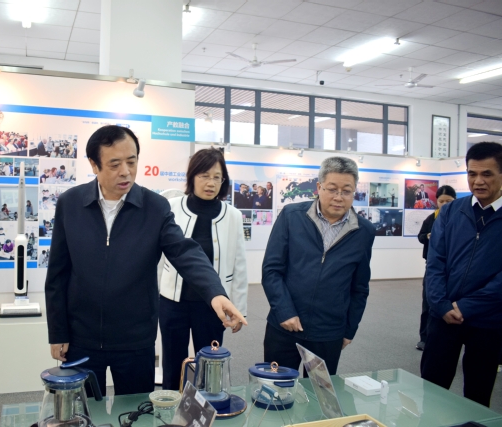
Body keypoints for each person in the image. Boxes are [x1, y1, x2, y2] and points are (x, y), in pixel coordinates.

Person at [45, 125, 246, 396]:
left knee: (135, 411)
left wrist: (215, 292)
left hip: (135, 340)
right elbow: (58, 274)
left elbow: (185, 251)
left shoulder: (155, 207)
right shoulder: (71, 204)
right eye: (114, 164)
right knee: (83, 411)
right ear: (94, 164)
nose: (126, 171)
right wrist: (58, 332)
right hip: (82, 337)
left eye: (132, 161)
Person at [261, 156, 375, 375]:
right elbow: (272, 270)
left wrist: (349, 329)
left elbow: (359, 287)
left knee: (319, 391)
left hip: (328, 332)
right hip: (284, 326)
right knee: (277, 388)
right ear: (319, 187)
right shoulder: (292, 216)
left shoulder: (364, 231)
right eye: (332, 189)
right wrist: (284, 311)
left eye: (346, 191)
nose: (338, 197)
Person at [159, 148, 248, 391]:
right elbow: (159, 258)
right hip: (173, 301)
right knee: (172, 362)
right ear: (192, 177)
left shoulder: (232, 215)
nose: (211, 183)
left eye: (217, 177)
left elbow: (239, 263)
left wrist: (239, 308)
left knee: (210, 362)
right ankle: (171, 403)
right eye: (204, 176)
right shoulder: (171, 207)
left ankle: (208, 405)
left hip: (213, 306)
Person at [422, 142, 502, 407]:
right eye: (472, 173)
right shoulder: (450, 211)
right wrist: (441, 305)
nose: (478, 181)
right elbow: (435, 262)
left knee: (478, 397)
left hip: (487, 320)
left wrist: (466, 306)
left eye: (487, 174)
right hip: (443, 316)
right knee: (431, 390)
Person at [415, 185, 456, 351]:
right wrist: (427, 236)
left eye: (449, 201)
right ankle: (424, 338)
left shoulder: (460, 219)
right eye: (441, 201)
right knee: (428, 301)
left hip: (453, 268)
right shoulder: (431, 218)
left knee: (452, 302)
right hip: (433, 266)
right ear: (436, 201)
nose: (444, 204)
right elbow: (420, 236)